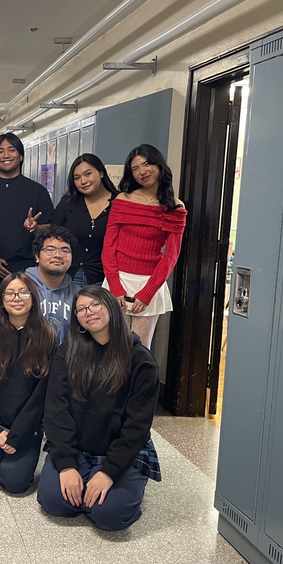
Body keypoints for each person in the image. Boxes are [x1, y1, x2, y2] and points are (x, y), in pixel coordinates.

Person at [37, 285, 161, 531]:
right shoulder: (68, 352)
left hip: (121, 450)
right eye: (81, 309)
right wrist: (67, 465)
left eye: (96, 304)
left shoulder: (141, 360)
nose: (89, 312)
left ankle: (125, 484)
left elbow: (137, 426)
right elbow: (56, 410)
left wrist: (108, 472)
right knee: (54, 501)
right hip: (78, 447)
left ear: (112, 308)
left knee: (109, 515)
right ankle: (86, 479)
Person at [0, 272, 56, 494]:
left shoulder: (47, 336)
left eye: (24, 293)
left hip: (26, 426)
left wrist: (18, 435)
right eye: (10, 294)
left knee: (15, 483)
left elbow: (43, 394)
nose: (17, 298)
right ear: (2, 300)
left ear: (33, 297)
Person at [101, 144, 187, 349]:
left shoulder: (175, 207)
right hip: (118, 279)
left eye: (147, 164)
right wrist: (115, 286)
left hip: (150, 282)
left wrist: (147, 292)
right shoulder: (122, 200)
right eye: (135, 168)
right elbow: (109, 247)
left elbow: (171, 257)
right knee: (115, 347)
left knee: (141, 349)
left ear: (159, 165)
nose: (142, 172)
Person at [0, 133, 53, 313]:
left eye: (11, 150)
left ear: (21, 156)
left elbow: (51, 229)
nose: (6, 155)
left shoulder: (37, 191)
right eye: (0, 151)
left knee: (25, 317)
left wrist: (37, 228)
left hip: (27, 269)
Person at [25, 153, 118, 287]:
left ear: (101, 173)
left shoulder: (119, 203)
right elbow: (53, 232)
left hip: (105, 278)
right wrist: (37, 228)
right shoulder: (68, 203)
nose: (83, 181)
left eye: (88, 174)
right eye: (77, 178)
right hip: (70, 276)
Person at [25, 226, 78, 343]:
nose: (58, 255)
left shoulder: (78, 294)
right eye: (50, 249)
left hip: (65, 353)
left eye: (65, 250)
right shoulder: (22, 286)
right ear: (37, 256)